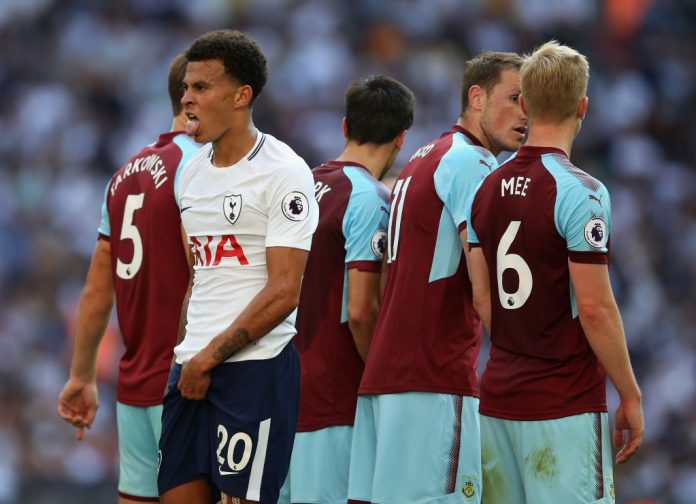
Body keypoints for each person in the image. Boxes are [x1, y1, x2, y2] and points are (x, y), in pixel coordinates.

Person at [466, 41, 644, 504]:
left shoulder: (486, 187)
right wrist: (630, 394)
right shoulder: (581, 191)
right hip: (563, 404)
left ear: (524, 105)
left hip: (498, 399)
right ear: (582, 107)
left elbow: (482, 298)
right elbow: (595, 308)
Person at [348, 52, 528, 504]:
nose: (525, 113)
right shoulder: (474, 163)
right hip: (433, 377)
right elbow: (485, 288)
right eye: (514, 98)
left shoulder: (422, 158)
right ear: (476, 96)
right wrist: (525, 367)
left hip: (387, 378)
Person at [156, 30, 318, 504]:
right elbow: (199, 278)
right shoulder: (190, 174)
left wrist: (209, 358)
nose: (187, 99)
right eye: (186, 88)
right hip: (190, 369)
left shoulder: (284, 171)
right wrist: (184, 358)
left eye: (201, 87)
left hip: (254, 370)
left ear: (241, 96)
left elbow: (284, 290)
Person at [57, 52, 199, 503]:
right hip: (187, 385)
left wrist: (82, 375)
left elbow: (98, 289)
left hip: (135, 385)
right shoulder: (203, 168)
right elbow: (204, 275)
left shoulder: (122, 177)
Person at [279, 75, 415, 504]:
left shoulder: (298, 186)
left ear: (344, 127)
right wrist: (384, 384)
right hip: (334, 401)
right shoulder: (370, 198)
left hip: (279, 394)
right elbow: (360, 311)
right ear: (400, 138)